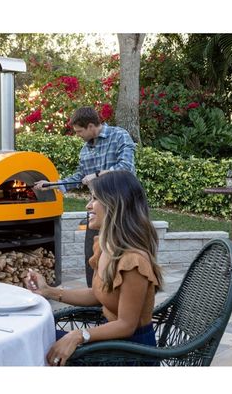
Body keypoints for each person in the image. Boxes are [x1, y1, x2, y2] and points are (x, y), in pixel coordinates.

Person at [25, 170, 162, 366]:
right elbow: (98, 294)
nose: (88, 205)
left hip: (131, 353)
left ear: (115, 204)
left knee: (35, 348)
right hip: (112, 341)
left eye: (95, 199)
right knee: (33, 342)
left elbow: (127, 325)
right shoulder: (106, 247)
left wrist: (79, 335)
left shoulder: (133, 261)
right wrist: (48, 291)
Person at [33, 106, 136, 287]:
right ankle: (93, 293)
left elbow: (126, 168)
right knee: (92, 255)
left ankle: (121, 292)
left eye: (79, 131)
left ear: (90, 126)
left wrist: (97, 175)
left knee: (122, 254)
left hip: (122, 208)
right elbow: (80, 177)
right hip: (98, 208)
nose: (77, 135)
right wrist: (51, 185)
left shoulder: (119, 135)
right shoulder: (85, 150)